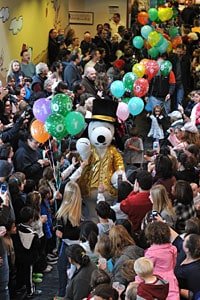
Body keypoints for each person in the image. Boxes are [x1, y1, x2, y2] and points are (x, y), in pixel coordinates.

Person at [55, 181, 81, 299]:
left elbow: (75, 233)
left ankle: (64, 294)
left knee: (65, 268)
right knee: (64, 267)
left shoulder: (75, 209)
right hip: (71, 243)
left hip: (72, 244)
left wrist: (62, 233)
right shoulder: (76, 207)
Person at [144, 221, 180, 299]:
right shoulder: (172, 248)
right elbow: (174, 264)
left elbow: (146, 269)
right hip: (171, 278)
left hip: (156, 281)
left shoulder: (150, 253)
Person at [13, 206, 41, 298]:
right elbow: (37, 245)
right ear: (31, 219)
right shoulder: (33, 234)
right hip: (29, 258)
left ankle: (20, 287)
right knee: (29, 274)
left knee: (20, 272)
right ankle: (30, 292)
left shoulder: (17, 228)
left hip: (19, 256)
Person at [175, 234, 200, 299]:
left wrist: (175, 289)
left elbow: (194, 295)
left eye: (184, 240)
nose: (182, 241)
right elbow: (176, 238)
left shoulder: (195, 272)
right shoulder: (185, 253)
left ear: (187, 249)